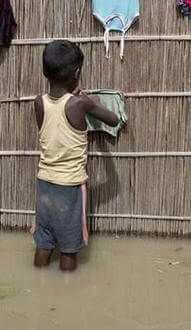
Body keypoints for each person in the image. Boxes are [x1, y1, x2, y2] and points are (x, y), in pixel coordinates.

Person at [33, 40, 120, 271]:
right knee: (69, 249)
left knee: (44, 243)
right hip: (69, 188)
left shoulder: (38, 103)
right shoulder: (80, 104)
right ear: (77, 73)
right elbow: (113, 119)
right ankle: (66, 290)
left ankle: (38, 280)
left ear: (44, 72)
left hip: (44, 184)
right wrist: (92, 101)